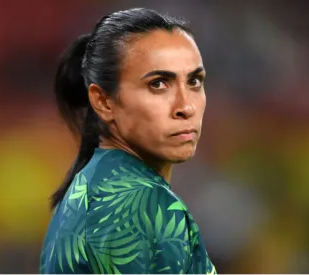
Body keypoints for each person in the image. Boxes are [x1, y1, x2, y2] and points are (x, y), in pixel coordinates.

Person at [40, 8, 216, 274]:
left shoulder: (88, 186)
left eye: (194, 81)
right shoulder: (145, 204)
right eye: (158, 84)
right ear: (103, 101)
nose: (185, 107)